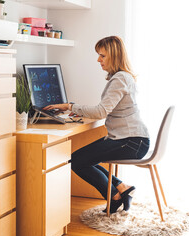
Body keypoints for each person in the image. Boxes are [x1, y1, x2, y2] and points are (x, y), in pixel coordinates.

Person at [43, 36, 149, 213]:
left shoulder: (120, 79)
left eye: (102, 56)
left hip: (131, 142)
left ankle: (114, 196)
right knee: (82, 159)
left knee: (77, 161)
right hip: (131, 139)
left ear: (114, 56)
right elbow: (105, 110)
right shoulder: (122, 77)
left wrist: (69, 106)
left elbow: (101, 111)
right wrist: (75, 109)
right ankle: (122, 188)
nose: (98, 60)